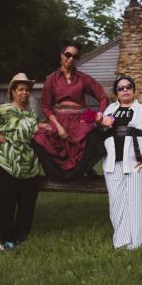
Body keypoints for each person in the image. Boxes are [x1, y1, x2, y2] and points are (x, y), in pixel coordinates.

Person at [0, 73, 50, 251]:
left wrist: (45, 126)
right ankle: (6, 240)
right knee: (7, 201)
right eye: (21, 89)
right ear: (13, 92)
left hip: (28, 161)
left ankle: (20, 236)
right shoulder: (4, 109)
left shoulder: (31, 114)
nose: (24, 93)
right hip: (6, 159)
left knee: (27, 201)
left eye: (27, 90)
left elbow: (34, 129)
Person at [32, 40, 109, 180]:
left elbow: (103, 97)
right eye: (68, 54)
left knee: (95, 138)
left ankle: (83, 169)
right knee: (39, 137)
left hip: (81, 118)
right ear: (61, 55)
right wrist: (58, 126)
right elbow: (46, 106)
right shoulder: (51, 80)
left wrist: (99, 114)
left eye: (75, 56)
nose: (71, 59)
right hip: (58, 119)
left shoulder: (84, 79)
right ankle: (56, 174)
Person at [101, 75, 142, 250]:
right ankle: (121, 241)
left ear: (134, 90)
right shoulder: (109, 111)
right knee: (116, 201)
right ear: (116, 93)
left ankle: (137, 242)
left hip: (137, 161)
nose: (125, 90)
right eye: (121, 88)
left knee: (138, 200)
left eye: (128, 87)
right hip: (112, 162)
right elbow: (102, 133)